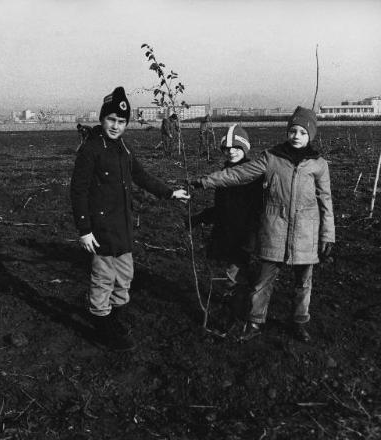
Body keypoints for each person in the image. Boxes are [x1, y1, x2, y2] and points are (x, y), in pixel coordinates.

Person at [191, 107, 334, 343]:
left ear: (310, 136)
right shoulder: (272, 158)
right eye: (292, 131)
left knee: (304, 282)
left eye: (302, 132)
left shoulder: (319, 165)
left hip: (306, 234)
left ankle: (299, 322)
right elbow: (238, 175)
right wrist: (203, 181)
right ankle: (256, 321)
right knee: (262, 281)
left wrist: (328, 235)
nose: (296, 136)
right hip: (275, 231)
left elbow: (325, 201)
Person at [71, 86, 190, 351]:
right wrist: (84, 229)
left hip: (122, 226)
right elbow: (77, 191)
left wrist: (169, 192)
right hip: (101, 228)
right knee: (103, 278)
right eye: (111, 120)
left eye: (121, 121)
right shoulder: (91, 149)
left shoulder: (123, 148)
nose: (115, 126)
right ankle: (101, 327)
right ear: (102, 119)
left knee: (125, 276)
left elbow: (142, 176)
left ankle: (115, 318)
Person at [190, 125, 262, 299]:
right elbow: (223, 207)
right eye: (227, 149)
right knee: (234, 273)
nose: (231, 152)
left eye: (236, 148)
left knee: (237, 274)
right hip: (228, 233)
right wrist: (200, 218)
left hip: (245, 235)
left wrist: (251, 236)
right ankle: (235, 303)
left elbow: (257, 208)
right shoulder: (223, 174)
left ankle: (238, 308)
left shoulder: (253, 175)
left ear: (245, 148)